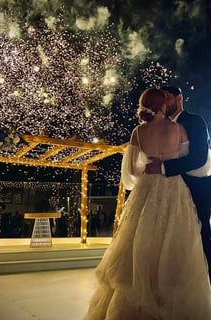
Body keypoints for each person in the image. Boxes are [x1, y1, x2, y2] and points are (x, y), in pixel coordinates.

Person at [83, 88, 211, 320]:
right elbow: (193, 161)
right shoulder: (178, 129)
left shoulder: (138, 132)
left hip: (147, 188)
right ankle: (169, 295)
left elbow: (131, 171)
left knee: (139, 239)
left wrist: (151, 169)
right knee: (176, 240)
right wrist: (167, 166)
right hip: (175, 189)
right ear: (163, 104)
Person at [146, 85, 211, 280]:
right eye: (161, 99)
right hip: (169, 189)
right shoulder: (161, 125)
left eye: (168, 97)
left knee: (200, 235)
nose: (164, 102)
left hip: (197, 187)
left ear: (179, 98)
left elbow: (199, 157)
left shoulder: (194, 121)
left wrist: (164, 167)